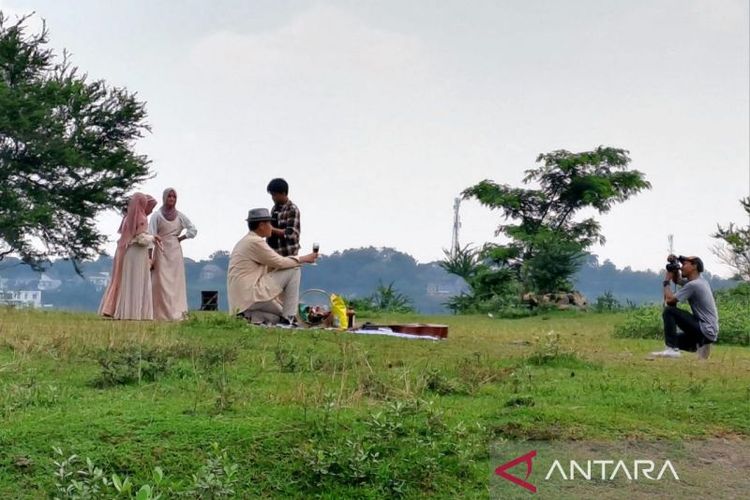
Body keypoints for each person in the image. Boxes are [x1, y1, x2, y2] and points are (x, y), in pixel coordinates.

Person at [227, 208, 317, 325]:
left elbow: (272, 267)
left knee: (277, 315)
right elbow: (279, 262)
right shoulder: (255, 242)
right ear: (261, 225)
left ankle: (250, 317)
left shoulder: (246, 241)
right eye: (269, 223)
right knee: (294, 269)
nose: (271, 227)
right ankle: (289, 317)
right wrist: (304, 259)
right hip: (250, 294)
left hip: (241, 300)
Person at [99, 193, 161, 320]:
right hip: (137, 253)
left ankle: (122, 310)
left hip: (127, 252)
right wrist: (154, 238)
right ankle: (135, 312)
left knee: (126, 281)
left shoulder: (128, 218)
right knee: (137, 281)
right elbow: (140, 238)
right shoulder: (141, 218)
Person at [651, 255, 719, 358]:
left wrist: (666, 281)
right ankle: (702, 346)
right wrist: (674, 264)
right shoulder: (701, 281)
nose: (681, 267)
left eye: (684, 264)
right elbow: (677, 280)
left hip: (704, 329)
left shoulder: (694, 285)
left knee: (669, 311)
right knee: (673, 339)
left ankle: (672, 350)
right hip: (710, 333)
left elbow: (669, 300)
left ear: (694, 266)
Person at [148, 188, 198, 321]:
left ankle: (178, 312)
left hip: (175, 252)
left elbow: (193, 229)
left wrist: (181, 238)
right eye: (169, 196)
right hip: (161, 250)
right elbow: (151, 236)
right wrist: (150, 257)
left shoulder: (180, 216)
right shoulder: (156, 216)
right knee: (160, 282)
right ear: (164, 198)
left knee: (176, 283)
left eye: (173, 197)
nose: (171, 199)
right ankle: (160, 313)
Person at [266, 178, 301, 256]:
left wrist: (270, 228)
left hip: (288, 257)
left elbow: (291, 234)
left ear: (284, 193)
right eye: (272, 195)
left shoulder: (292, 209)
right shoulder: (274, 209)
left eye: (275, 195)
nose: (273, 198)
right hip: (274, 257)